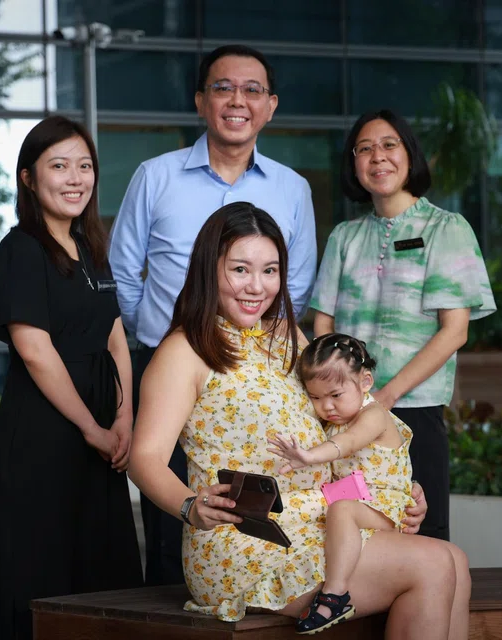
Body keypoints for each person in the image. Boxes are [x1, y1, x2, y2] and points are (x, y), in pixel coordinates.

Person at [128, 202, 470, 639]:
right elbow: (144, 458)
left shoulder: (288, 336)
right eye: (240, 269)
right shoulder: (184, 350)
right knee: (433, 563)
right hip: (247, 538)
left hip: (324, 518)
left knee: (455, 560)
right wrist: (190, 506)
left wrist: (391, 489)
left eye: (270, 271)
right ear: (209, 269)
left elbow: (339, 424)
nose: (256, 286)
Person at [109, 44, 317, 585]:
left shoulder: (292, 189)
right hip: (171, 362)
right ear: (201, 100)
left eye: (252, 90)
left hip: (257, 368)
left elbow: (294, 285)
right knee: (171, 519)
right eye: (223, 88)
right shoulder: (156, 176)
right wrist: (164, 336)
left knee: (260, 500)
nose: (237, 101)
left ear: (270, 106)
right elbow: (123, 272)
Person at [0, 116, 142, 639]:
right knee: (43, 562)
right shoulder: (20, 250)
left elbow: (115, 336)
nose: (75, 178)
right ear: (28, 178)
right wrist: (91, 427)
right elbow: (35, 352)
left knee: (100, 560)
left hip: (102, 424)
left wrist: (124, 417)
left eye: (85, 166)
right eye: (59, 166)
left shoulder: (92, 246)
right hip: (45, 428)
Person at [309, 109, 496, 541]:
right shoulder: (344, 237)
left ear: (410, 154)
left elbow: (455, 331)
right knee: (347, 531)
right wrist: (336, 394)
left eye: (389, 145)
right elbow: (324, 323)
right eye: (364, 149)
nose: (378, 157)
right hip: (344, 414)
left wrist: (386, 396)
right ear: (354, 164)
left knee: (421, 534)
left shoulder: (446, 228)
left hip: (414, 410)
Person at [268, 333, 416, 634]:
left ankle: (334, 595)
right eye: (316, 398)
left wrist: (309, 456)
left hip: (388, 507)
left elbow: (348, 442)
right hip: (362, 503)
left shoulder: (374, 415)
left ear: (365, 382)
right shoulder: (334, 420)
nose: (327, 406)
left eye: (336, 395)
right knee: (337, 511)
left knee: (341, 510)